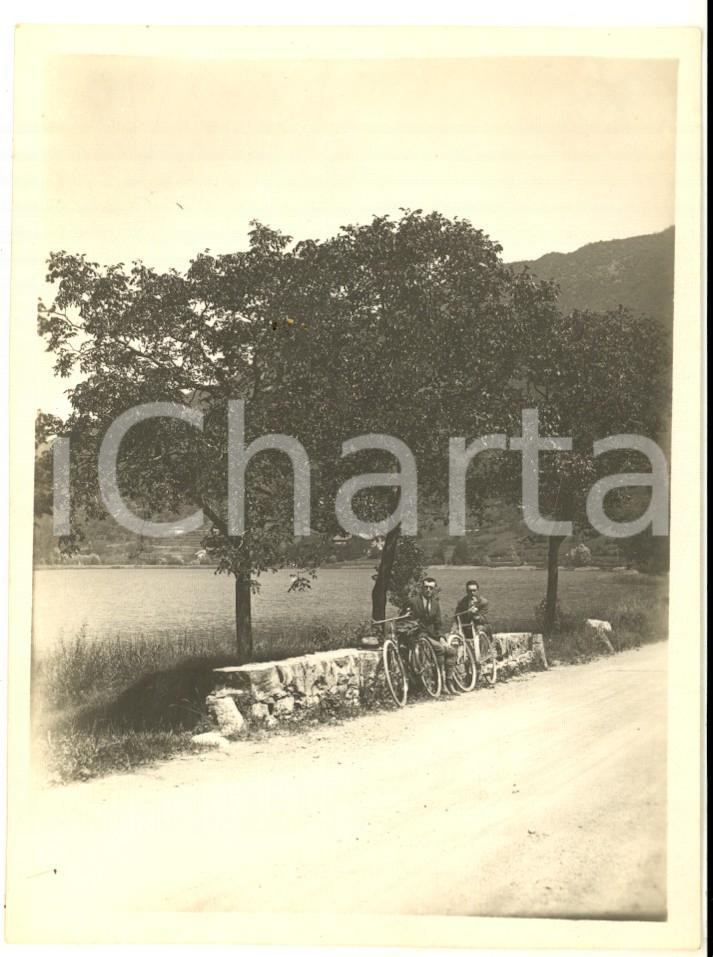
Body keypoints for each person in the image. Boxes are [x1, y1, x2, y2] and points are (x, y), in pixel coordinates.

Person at [402, 577, 459, 693]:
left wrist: (442, 638)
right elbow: (403, 620)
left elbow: (438, 623)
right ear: (421, 588)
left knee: (452, 651)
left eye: (431, 588)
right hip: (418, 635)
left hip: (432, 635)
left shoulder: (435, 604)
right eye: (426, 587)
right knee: (439, 649)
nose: (428, 590)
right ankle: (440, 683)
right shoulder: (412, 601)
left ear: (434, 589)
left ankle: (449, 682)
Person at [454, 580, 502, 658]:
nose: (472, 593)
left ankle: (483, 655)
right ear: (466, 591)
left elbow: (485, 620)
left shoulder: (484, 602)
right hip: (466, 627)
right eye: (469, 591)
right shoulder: (461, 602)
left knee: (480, 630)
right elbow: (457, 616)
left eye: (474, 590)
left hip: (480, 625)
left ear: (478, 590)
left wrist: (475, 614)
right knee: (454, 634)